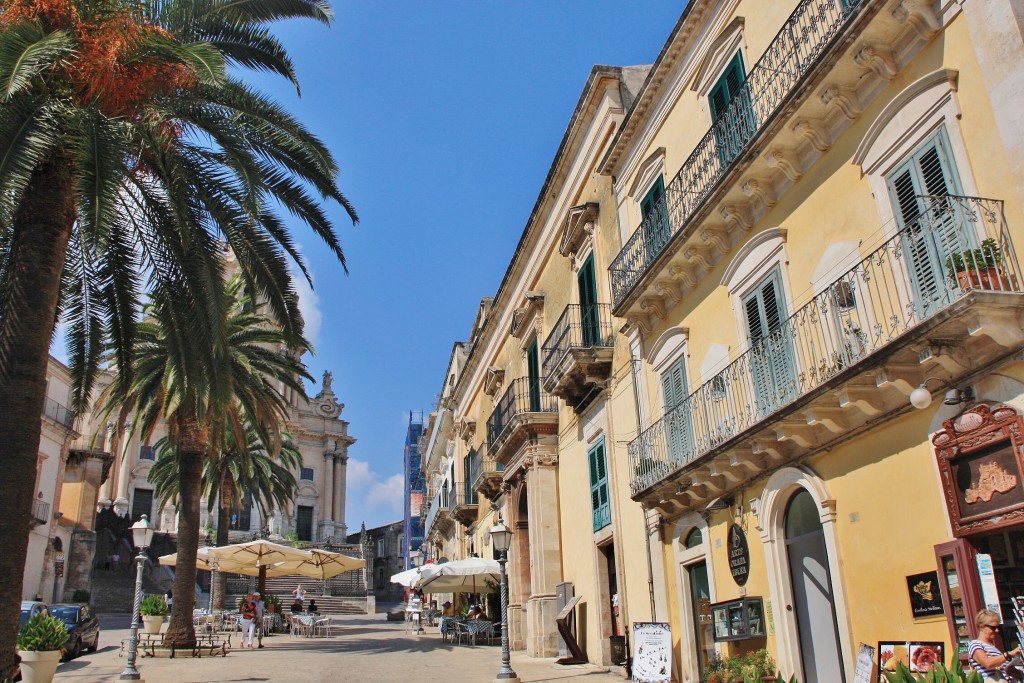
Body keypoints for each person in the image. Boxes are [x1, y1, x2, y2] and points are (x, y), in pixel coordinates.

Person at [970, 609, 1022, 682]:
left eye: (998, 627)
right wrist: (1008, 654)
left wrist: (1015, 672)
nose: (997, 630)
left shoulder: (993, 648)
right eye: (993, 628)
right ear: (982, 626)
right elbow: (987, 663)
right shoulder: (975, 644)